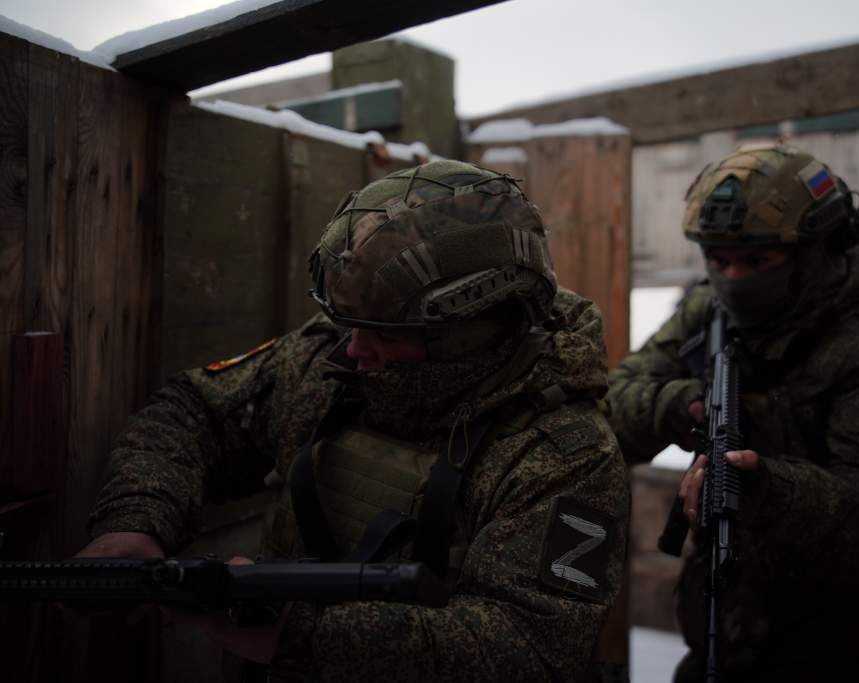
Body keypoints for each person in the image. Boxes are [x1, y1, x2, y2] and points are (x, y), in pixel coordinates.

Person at [78, 160, 629, 681]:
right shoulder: (331, 364)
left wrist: (300, 637)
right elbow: (194, 411)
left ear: (465, 332)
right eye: (348, 325)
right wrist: (136, 521)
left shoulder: (566, 455)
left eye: (383, 333)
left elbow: (529, 652)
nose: (353, 348)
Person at [607, 143, 859, 682]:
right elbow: (612, 407)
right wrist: (686, 405)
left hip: (839, 659)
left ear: (817, 250)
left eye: (757, 261)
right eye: (719, 260)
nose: (733, 277)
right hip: (719, 644)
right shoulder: (709, 309)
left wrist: (767, 487)